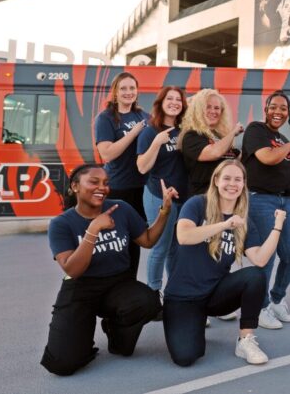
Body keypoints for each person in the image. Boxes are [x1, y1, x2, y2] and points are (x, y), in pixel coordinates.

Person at [40, 165, 177, 376]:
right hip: (81, 288)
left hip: (118, 284)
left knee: (148, 302)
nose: (102, 188)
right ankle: (82, 335)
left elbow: (148, 240)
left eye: (105, 183)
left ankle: (114, 329)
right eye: (94, 182)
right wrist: (93, 229)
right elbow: (73, 270)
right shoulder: (61, 223)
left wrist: (165, 211)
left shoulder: (121, 208)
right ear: (75, 186)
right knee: (62, 364)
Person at [163, 160, 287, 366]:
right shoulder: (197, 204)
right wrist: (224, 224)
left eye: (238, 179)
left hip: (215, 295)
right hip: (183, 296)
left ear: (243, 184)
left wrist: (278, 226)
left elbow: (260, 258)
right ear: (216, 181)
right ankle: (194, 321)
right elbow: (184, 236)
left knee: (255, 275)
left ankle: (245, 340)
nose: (232, 184)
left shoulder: (242, 221)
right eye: (227, 178)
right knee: (185, 357)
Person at [241, 90, 290, 329]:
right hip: (261, 200)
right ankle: (259, 308)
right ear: (266, 109)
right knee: (266, 258)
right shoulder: (256, 130)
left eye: (283, 108)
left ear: (288, 113)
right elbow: (267, 158)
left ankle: (276, 300)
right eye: (274, 107)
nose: (278, 112)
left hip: (284, 202)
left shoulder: (282, 140)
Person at [136, 86, 188, 303]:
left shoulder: (185, 130)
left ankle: (174, 291)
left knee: (176, 249)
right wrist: (157, 143)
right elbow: (142, 167)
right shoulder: (151, 131)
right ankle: (153, 294)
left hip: (183, 197)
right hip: (158, 196)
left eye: (179, 99)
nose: (174, 102)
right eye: (170, 99)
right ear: (161, 103)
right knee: (160, 247)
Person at [94, 72, 149, 274]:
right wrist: (134, 132)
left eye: (132, 88)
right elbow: (107, 153)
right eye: (123, 88)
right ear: (115, 92)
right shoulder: (106, 118)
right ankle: (115, 286)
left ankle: (130, 289)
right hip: (119, 189)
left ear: (137, 91)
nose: (128, 92)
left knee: (136, 240)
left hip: (143, 188)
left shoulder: (144, 116)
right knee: (118, 240)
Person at [179, 89, 244, 197]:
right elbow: (214, 153)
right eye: (208, 107)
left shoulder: (221, 136)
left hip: (225, 199)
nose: (213, 111)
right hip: (203, 198)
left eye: (217, 108)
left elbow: (235, 160)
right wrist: (233, 133)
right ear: (198, 110)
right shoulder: (192, 136)